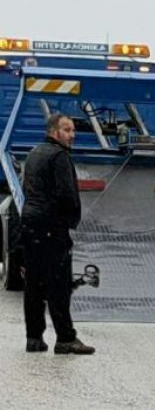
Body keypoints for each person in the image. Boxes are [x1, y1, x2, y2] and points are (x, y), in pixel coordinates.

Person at [19, 113, 94, 355]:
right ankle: (65, 338)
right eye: (67, 130)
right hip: (52, 227)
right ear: (54, 132)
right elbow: (67, 194)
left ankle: (34, 338)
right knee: (58, 285)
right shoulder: (60, 156)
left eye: (73, 130)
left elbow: (27, 188)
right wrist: (70, 222)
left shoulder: (34, 153)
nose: (72, 135)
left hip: (30, 224)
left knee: (33, 285)